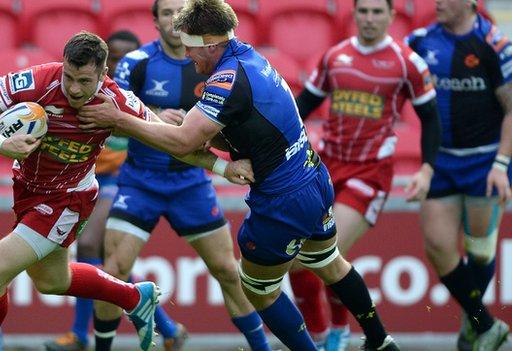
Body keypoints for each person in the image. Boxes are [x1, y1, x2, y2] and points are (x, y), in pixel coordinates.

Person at [77, 0, 400, 350]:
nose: (188, 55)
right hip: (311, 177)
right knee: (330, 264)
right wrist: (199, 135)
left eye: (191, 46)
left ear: (210, 42)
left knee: (256, 289)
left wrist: (120, 120)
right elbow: (235, 127)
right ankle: (381, 340)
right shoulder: (250, 58)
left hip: (282, 200)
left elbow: (186, 141)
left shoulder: (227, 79)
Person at [0, 31, 234, 351]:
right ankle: (133, 296)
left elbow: (177, 143)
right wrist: (1, 143)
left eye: (84, 81)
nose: (73, 89)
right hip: (28, 191)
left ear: (103, 74)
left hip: (67, 199)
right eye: (69, 77)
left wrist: (224, 168)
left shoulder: (117, 103)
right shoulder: (42, 79)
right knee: (51, 282)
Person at [90, 1, 272, 351]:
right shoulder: (136, 64)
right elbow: (114, 121)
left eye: (179, 12)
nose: (174, 19)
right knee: (114, 271)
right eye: (166, 13)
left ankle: (262, 347)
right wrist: (156, 116)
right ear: (155, 21)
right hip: (141, 181)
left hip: (191, 183)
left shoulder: (213, 66)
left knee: (228, 272)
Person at [288, 0, 442, 350]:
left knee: (318, 253)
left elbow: (431, 119)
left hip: (369, 173)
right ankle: (323, 334)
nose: (370, 18)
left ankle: (337, 335)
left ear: (391, 15)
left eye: (377, 12)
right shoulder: (334, 57)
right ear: (354, 15)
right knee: (303, 261)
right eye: (364, 11)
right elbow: (303, 107)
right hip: (325, 167)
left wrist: (427, 169)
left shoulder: (407, 63)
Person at [43, 30, 188, 351]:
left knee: (90, 246)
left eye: (128, 58)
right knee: (108, 262)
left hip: (121, 180)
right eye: (117, 57)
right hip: (90, 179)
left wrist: (152, 121)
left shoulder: (136, 102)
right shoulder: (86, 92)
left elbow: (165, 135)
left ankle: (82, 335)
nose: (123, 63)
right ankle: (168, 328)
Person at [406, 0, 512, 350]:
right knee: (438, 246)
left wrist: (500, 164)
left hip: (484, 163)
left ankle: (474, 327)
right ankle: (485, 323)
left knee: (480, 252)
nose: (437, 2)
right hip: (440, 161)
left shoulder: (496, 45)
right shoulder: (420, 41)